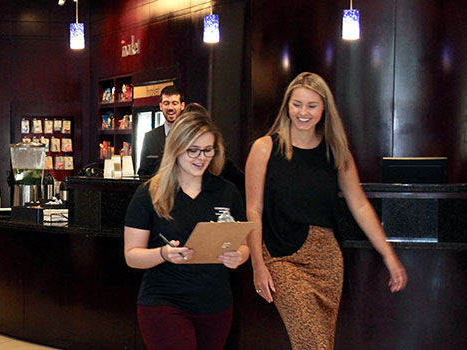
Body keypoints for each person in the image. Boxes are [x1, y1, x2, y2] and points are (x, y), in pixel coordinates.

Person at [244, 72, 408, 349]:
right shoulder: (264, 148)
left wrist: (389, 256)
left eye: (311, 105)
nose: (303, 112)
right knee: (313, 344)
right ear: (287, 106)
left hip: (327, 259)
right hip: (283, 257)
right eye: (297, 104)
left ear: (323, 110)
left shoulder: (335, 152)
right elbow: (253, 210)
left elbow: (359, 205)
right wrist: (257, 265)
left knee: (321, 343)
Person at [124, 111, 250, 350]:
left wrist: (239, 256)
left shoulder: (227, 191)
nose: (201, 158)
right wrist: (163, 253)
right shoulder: (149, 193)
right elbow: (132, 256)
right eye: (193, 150)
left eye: (208, 150)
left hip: (215, 303)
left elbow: (243, 245)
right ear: (176, 149)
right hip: (164, 301)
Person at [137, 85, 185, 177]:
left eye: (174, 103)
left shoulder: (190, 134)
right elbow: (143, 172)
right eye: (166, 103)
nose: (170, 108)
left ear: (182, 106)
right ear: (161, 106)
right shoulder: (150, 137)